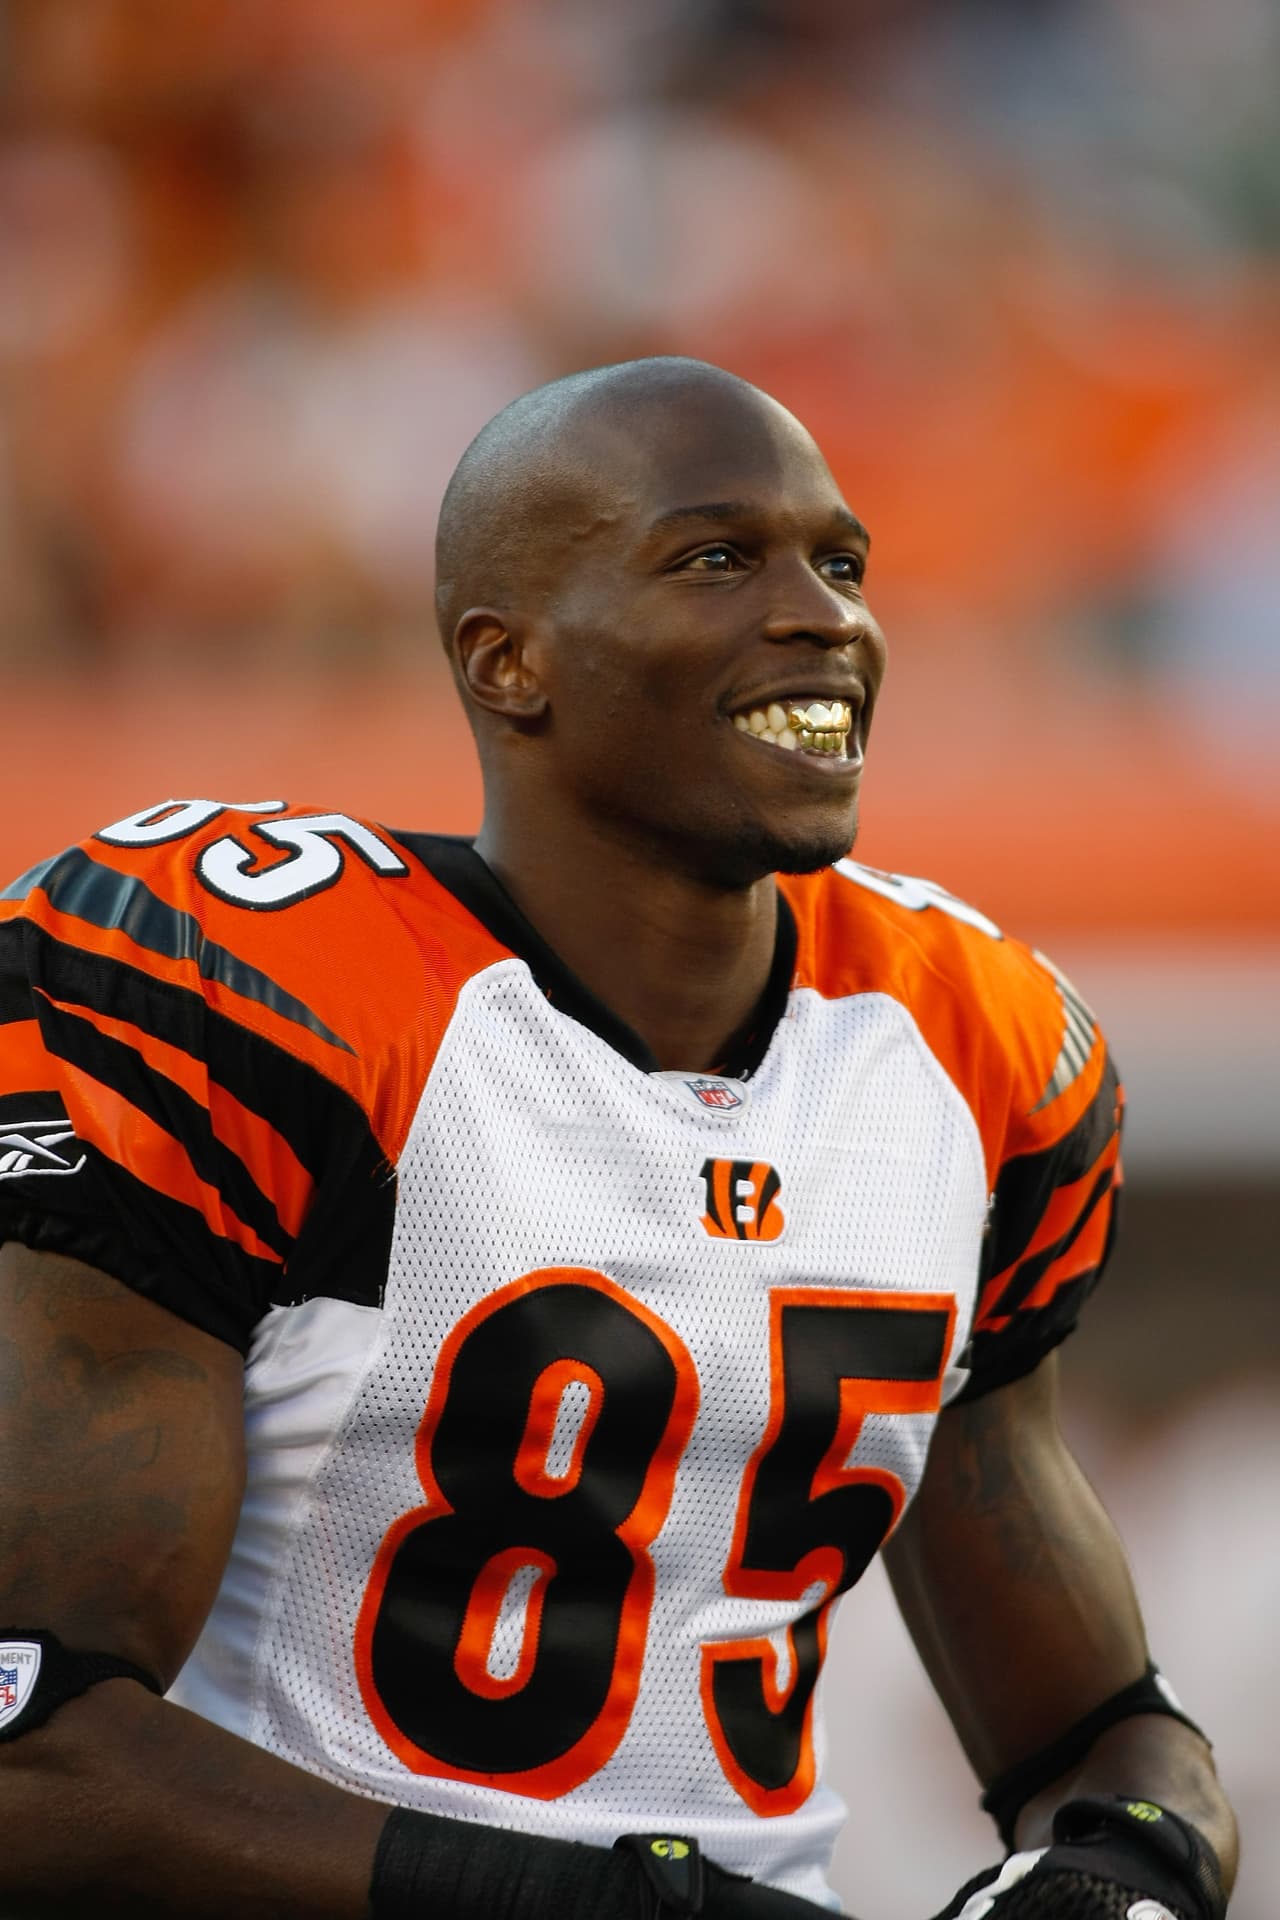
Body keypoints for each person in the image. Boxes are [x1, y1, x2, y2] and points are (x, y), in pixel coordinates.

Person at [0, 357, 1237, 1919]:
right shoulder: (274, 1003)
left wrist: (1131, 1860)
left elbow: (1100, 1724)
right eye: (719, 558)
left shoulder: (965, 1041)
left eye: (840, 563)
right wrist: (607, 1906)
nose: (822, 616)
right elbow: (31, 1757)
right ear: (508, 661)